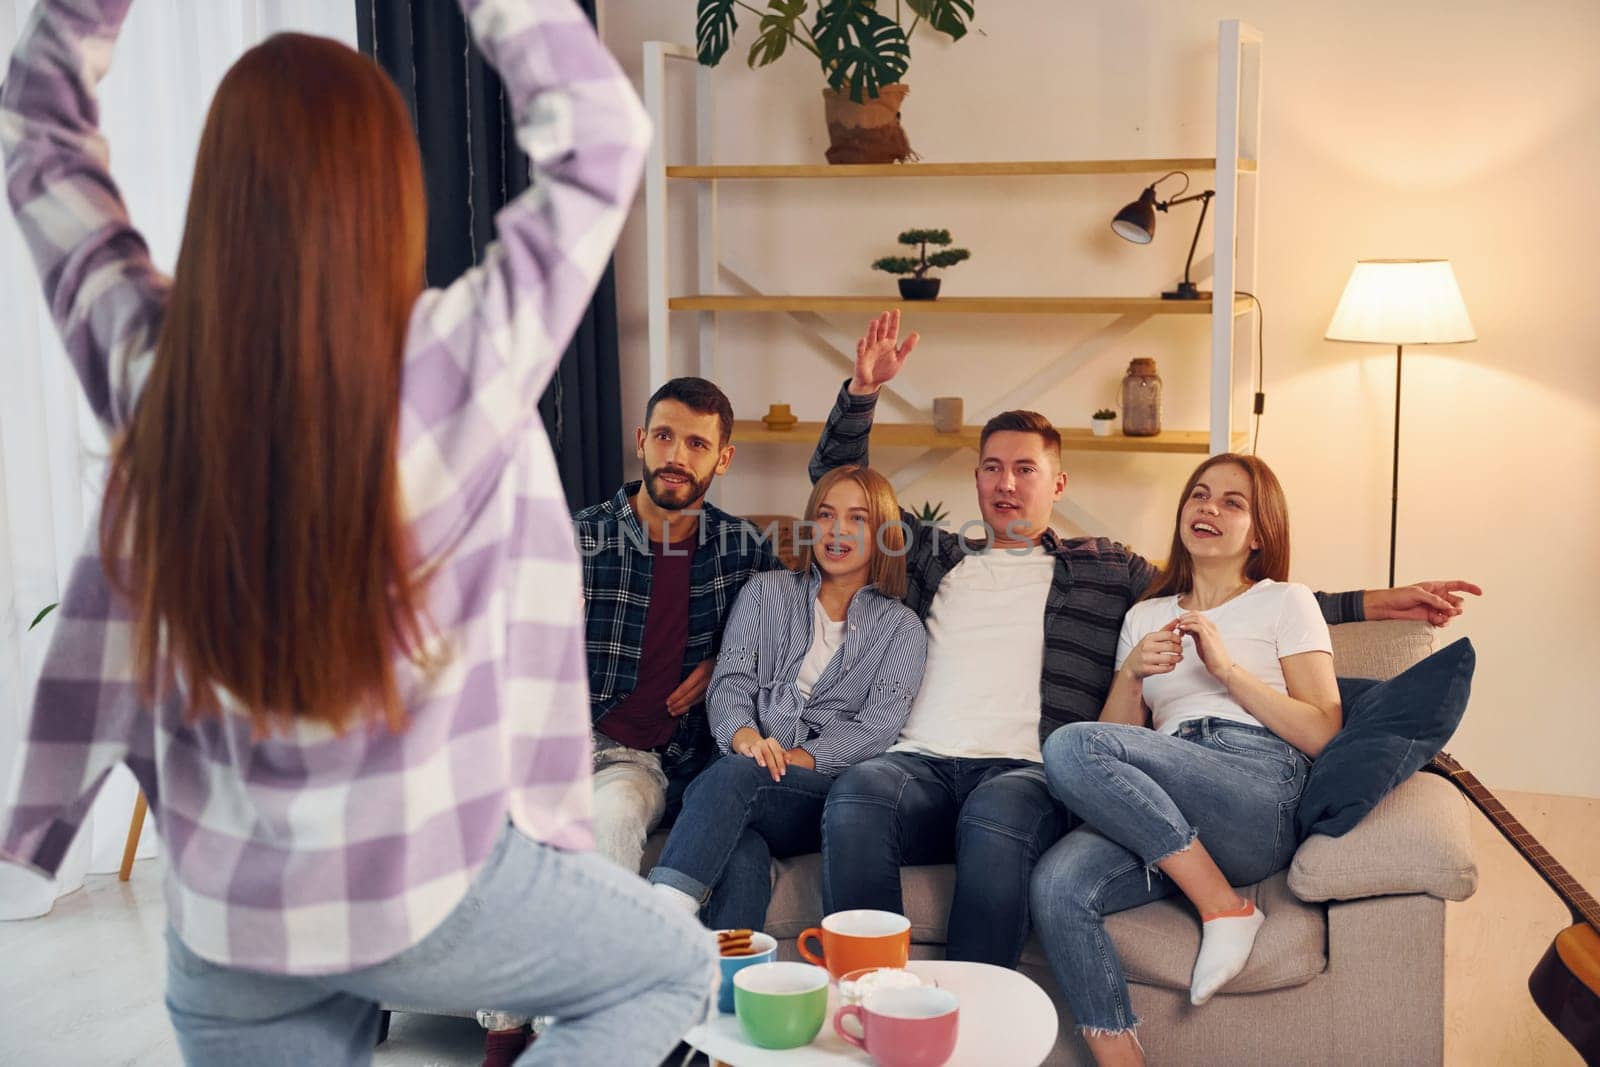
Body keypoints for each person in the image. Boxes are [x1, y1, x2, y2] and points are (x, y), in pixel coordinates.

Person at [0, 2, 715, 1064]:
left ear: (222, 195)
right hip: (418, 896)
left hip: (226, 928)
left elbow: (38, 133)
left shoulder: (156, 365)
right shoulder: (458, 366)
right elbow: (602, 140)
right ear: (392, 195)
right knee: (676, 964)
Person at [811, 310, 1482, 969]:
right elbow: (839, 491)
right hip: (920, 761)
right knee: (859, 792)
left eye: (1025, 469)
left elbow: (1229, 587)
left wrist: (1370, 601)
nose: (1006, 483)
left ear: (1058, 484)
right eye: (991, 468)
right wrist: (863, 393)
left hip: (1026, 771)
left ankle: (972, 1025)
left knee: (997, 814)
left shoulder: (1107, 569)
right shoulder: (934, 557)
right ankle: (867, 1002)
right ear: (977, 479)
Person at [477, 377, 784, 1062]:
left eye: (697, 442)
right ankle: (511, 1027)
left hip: (641, 760)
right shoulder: (573, 537)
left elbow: (781, 646)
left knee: (612, 818)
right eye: (666, 435)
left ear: (722, 459)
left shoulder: (745, 551)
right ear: (643, 440)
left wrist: (725, 666)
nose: (678, 454)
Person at [1030, 453, 1344, 1065]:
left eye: (1233, 502)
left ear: (1260, 533)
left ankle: (1225, 907)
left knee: (1069, 742)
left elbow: (1323, 732)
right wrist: (1129, 674)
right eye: (1199, 495)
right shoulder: (1146, 615)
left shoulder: (1286, 601)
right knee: (1057, 883)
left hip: (1256, 789)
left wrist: (1227, 672)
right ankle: (1123, 1058)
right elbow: (1102, 758)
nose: (1209, 508)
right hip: (1166, 792)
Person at [647, 465, 928, 931]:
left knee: (733, 779)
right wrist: (745, 739)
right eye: (825, 515)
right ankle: (733, 989)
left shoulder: (902, 628)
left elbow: (875, 729)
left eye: (857, 519)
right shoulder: (765, 592)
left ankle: (659, 924)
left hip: (822, 794)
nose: (837, 531)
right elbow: (732, 681)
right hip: (747, 774)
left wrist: (794, 759)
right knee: (740, 849)